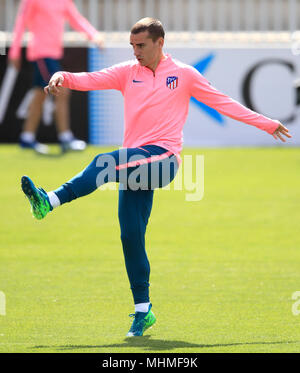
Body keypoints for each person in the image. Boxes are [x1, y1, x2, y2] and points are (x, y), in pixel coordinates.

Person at [20, 18, 291, 336]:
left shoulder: (184, 75)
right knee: (130, 238)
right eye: (132, 46)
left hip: (163, 160)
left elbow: (224, 103)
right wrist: (60, 75)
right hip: (132, 165)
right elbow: (87, 79)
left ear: (160, 42)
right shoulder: (126, 72)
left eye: (142, 45)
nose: (136, 51)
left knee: (104, 161)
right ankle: (143, 311)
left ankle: (49, 201)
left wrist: (267, 123)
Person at [8, 0, 104, 154]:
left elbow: (76, 19)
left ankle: (27, 137)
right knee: (63, 90)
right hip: (41, 53)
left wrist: (94, 35)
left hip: (53, 53)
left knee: (40, 95)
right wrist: (14, 52)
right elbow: (21, 22)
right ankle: (65, 138)